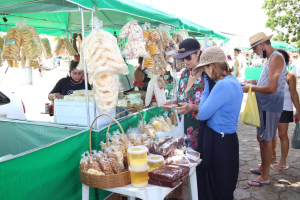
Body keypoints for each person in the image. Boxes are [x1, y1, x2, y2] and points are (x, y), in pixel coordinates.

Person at [162, 38, 214, 200]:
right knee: (181, 163)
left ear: (199, 53)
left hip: (202, 129)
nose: (186, 62)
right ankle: (178, 195)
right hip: (183, 129)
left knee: (199, 168)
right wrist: (171, 102)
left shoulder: (209, 76)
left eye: (189, 58)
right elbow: (180, 98)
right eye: (183, 58)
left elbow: (213, 105)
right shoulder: (184, 74)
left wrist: (193, 108)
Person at [195, 47, 243, 200]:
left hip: (219, 142)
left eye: (204, 68)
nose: (204, 72)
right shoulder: (233, 81)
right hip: (228, 141)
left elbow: (202, 114)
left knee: (216, 187)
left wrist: (207, 86)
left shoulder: (222, 85)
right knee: (224, 187)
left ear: (212, 66)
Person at [242, 32, 287, 186]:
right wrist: (254, 81)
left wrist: (250, 87)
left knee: (266, 141)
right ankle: (263, 167)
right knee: (262, 139)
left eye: (255, 49)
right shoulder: (271, 58)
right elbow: (267, 81)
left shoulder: (275, 58)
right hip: (265, 106)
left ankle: (265, 176)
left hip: (270, 106)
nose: (254, 52)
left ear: (262, 45)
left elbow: (272, 88)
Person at [271, 49, 300, 170]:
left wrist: (298, 110)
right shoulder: (270, 73)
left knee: (282, 134)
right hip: (271, 107)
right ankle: (272, 157)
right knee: (271, 135)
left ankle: (282, 162)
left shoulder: (290, 75)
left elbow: (294, 94)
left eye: (281, 58)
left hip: (285, 108)